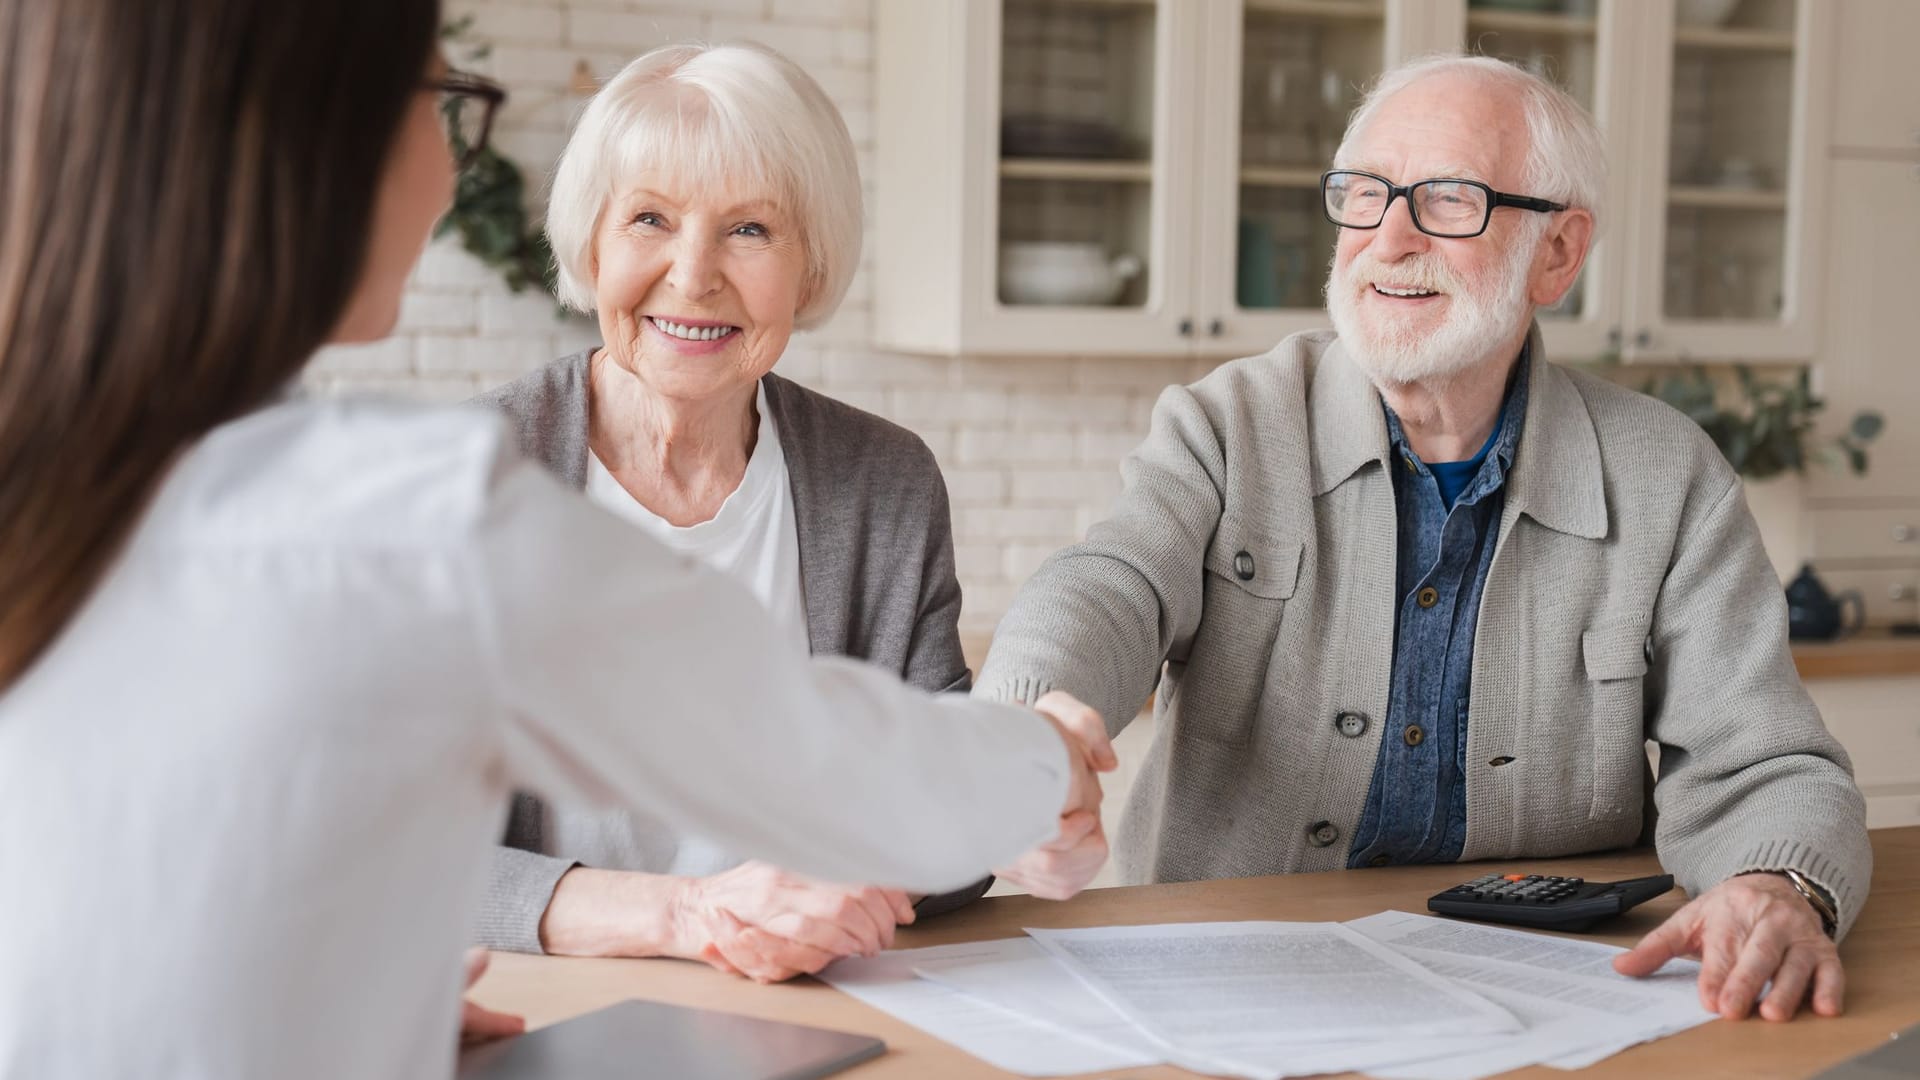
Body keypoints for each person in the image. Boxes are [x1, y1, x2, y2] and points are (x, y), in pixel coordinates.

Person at [0, 3, 1116, 1077]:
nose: (447, 173)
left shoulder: (77, 476)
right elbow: (804, 754)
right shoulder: (414, 517)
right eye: (438, 103)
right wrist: (1045, 762)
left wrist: (349, 998)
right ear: (318, 146)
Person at [977, 55, 1870, 1024]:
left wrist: (1779, 885)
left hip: (1556, 992)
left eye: (1448, 200)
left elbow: (1765, 763)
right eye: (1364, 197)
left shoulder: (1668, 474)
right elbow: (1109, 583)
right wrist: (1023, 729)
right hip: (1233, 978)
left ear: (1559, 253)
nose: (1388, 240)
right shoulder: (1229, 422)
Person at [469, 43, 1098, 984]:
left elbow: (928, 830)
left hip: (813, 1005)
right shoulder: (471, 482)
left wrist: (1011, 814)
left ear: (811, 269)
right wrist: (692, 916)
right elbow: (384, 856)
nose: (692, 275)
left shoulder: (883, 482)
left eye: (751, 230)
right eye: (650, 218)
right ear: (592, 244)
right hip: (542, 1002)